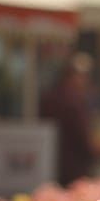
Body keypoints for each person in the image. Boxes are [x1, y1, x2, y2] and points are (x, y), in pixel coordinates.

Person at [40, 53, 95, 186]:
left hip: (49, 160)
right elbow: (81, 133)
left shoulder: (50, 96)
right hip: (72, 163)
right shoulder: (73, 100)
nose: (85, 80)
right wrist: (90, 155)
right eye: (83, 76)